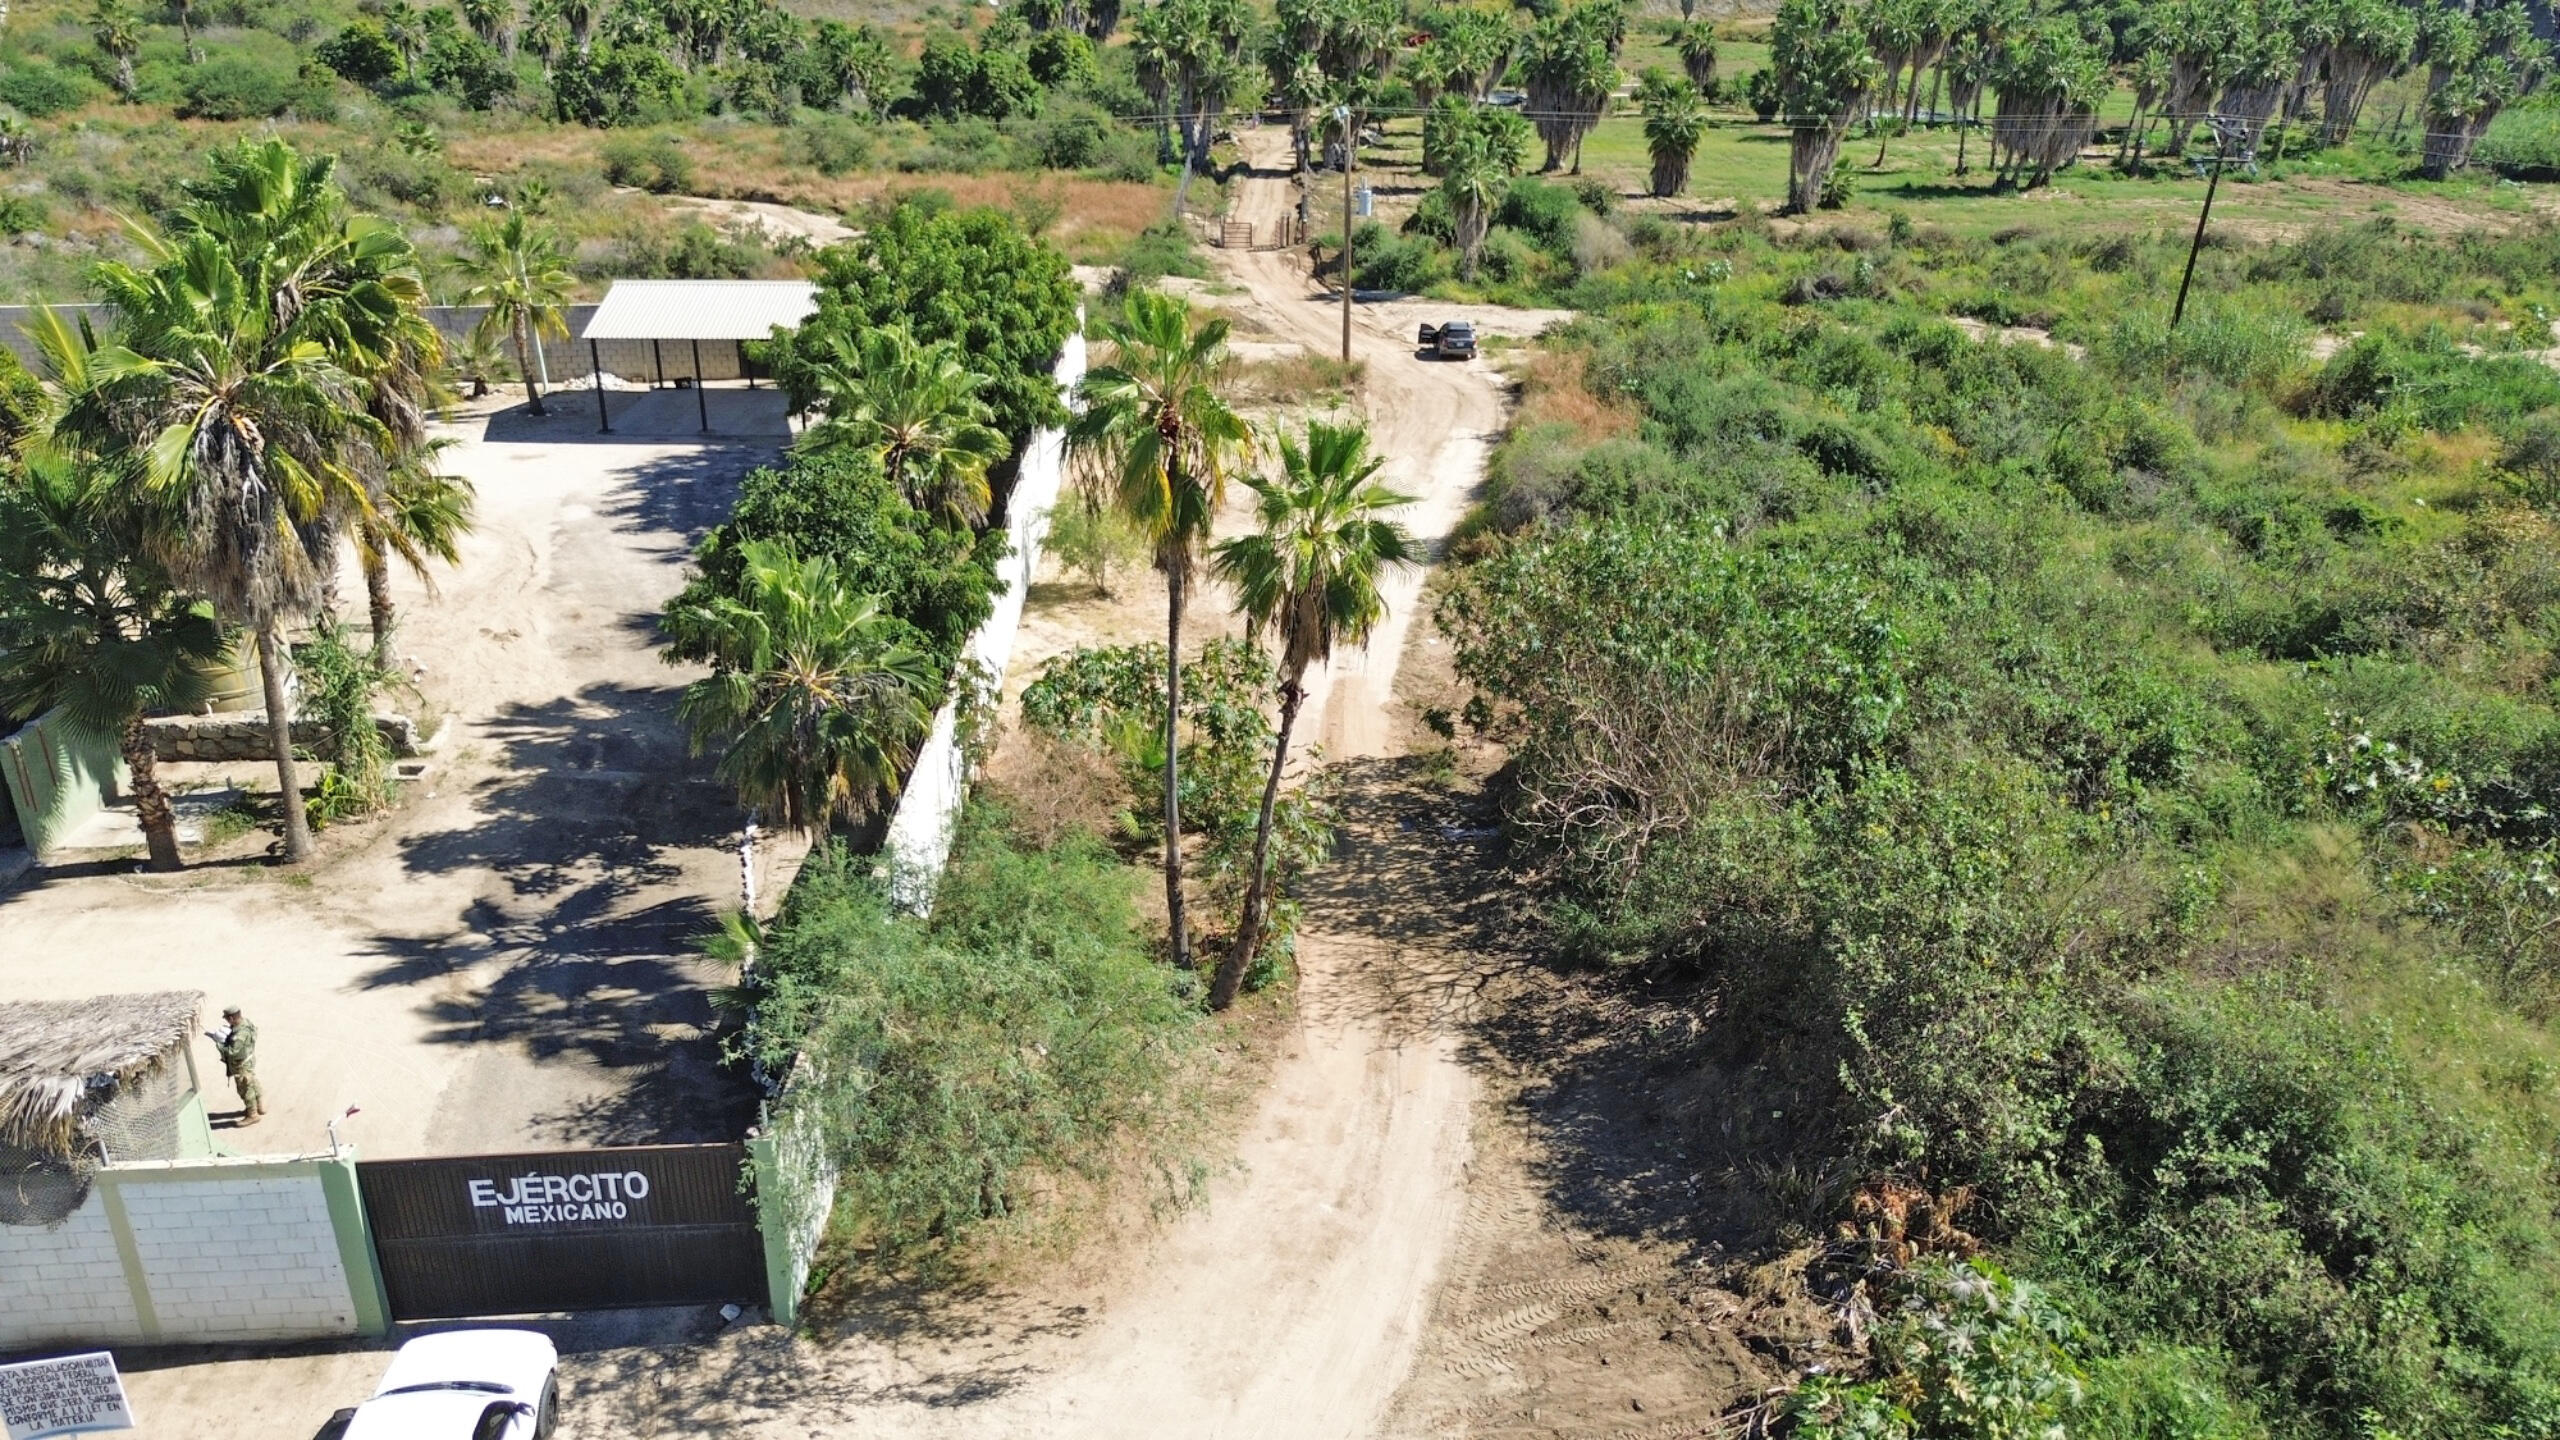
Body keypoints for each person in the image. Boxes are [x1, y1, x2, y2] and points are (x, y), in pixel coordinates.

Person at [213, 1006, 262, 1126]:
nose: (227, 1022)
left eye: (227, 1019)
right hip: (249, 1059)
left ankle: (252, 1115)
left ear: (231, 1018)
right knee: (252, 1081)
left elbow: (232, 1052)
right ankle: (260, 1106)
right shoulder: (246, 1022)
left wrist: (219, 1044)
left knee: (245, 1088)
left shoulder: (239, 1035)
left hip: (241, 1065)